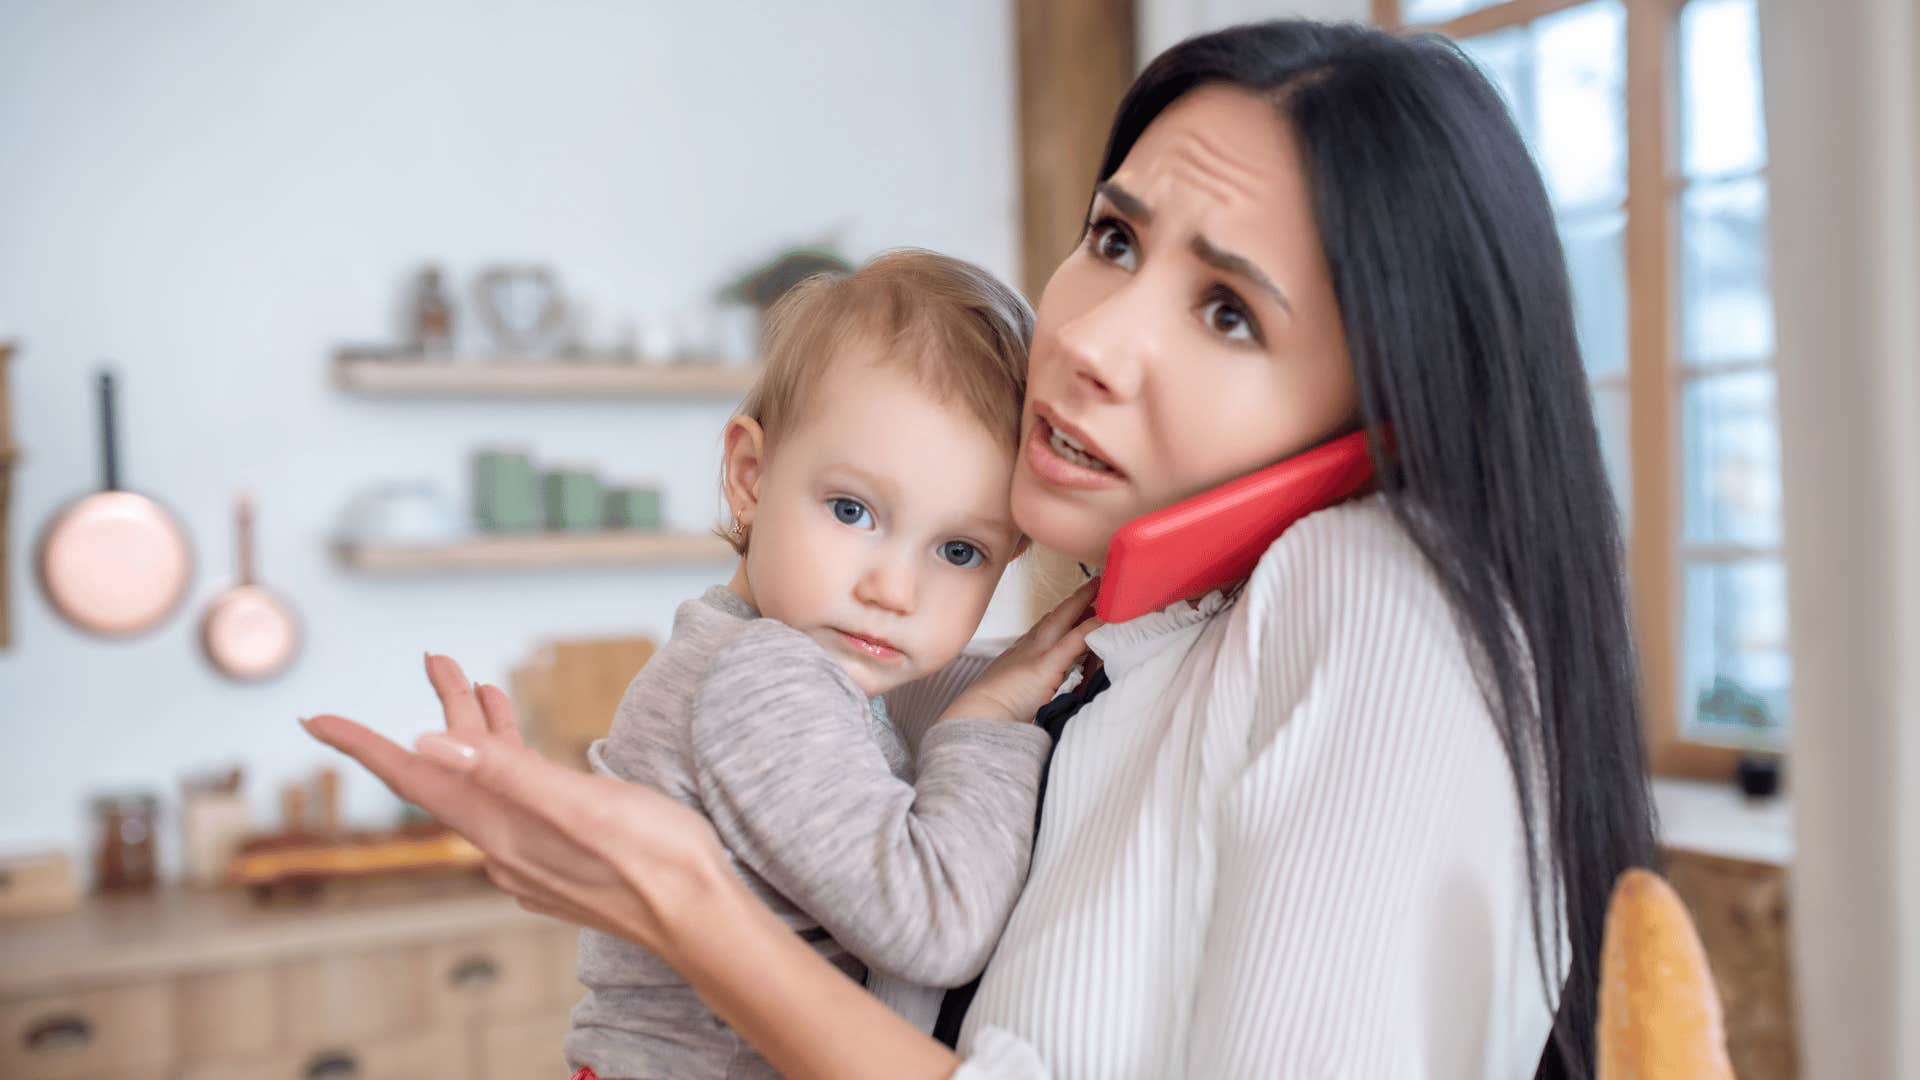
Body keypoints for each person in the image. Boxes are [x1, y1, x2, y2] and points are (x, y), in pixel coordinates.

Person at [307, 19, 1656, 1078]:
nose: (1091, 339)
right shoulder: (1127, 643)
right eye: (1115, 238)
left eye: (1229, 314)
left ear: (1388, 406)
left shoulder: (1363, 597)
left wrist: (681, 909)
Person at [546, 249, 1102, 1079]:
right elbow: (935, 925)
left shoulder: (757, 647)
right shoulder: (763, 677)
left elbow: (915, 690)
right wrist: (988, 724)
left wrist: (1028, 671)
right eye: (854, 510)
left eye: (959, 550)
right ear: (751, 477)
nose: (894, 588)